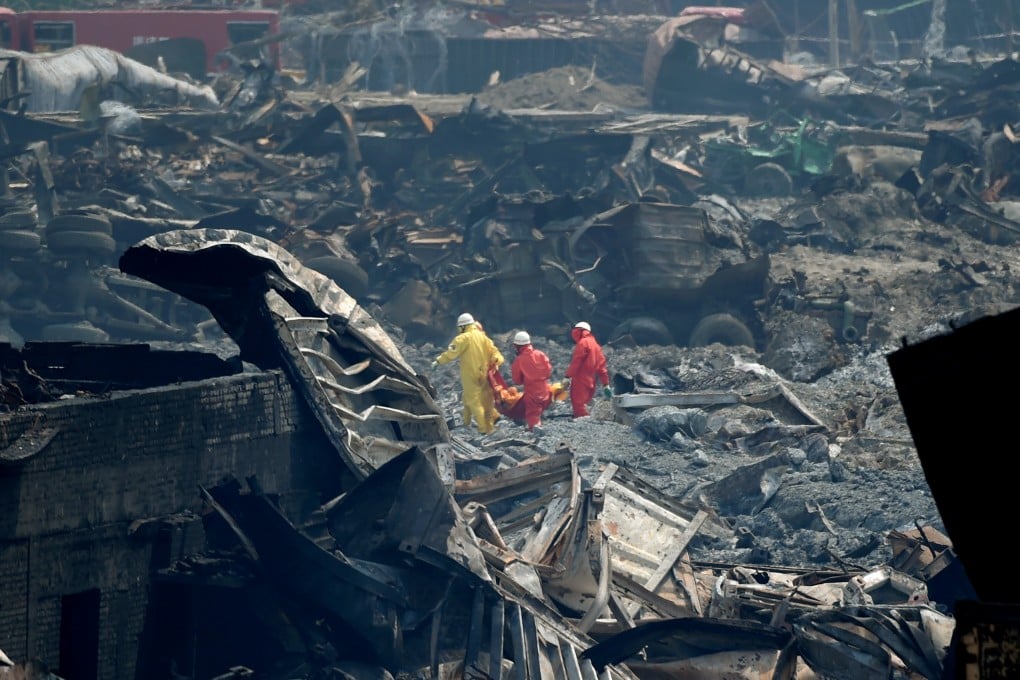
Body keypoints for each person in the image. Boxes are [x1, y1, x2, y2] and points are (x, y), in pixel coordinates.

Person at [431, 313, 504, 435]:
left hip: (470, 374)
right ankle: (467, 421)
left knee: (473, 401)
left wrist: (438, 361)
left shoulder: (462, 338)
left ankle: (484, 429)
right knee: (477, 399)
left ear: (463, 326)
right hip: (484, 373)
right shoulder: (483, 337)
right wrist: (496, 361)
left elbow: (451, 353)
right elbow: (495, 352)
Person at [565, 321, 611, 418]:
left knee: (579, 404)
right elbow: (602, 367)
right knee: (585, 404)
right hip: (591, 381)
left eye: (575, 331)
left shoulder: (582, 343)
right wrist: (606, 384)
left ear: (580, 331)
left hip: (580, 379)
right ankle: (586, 422)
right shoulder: (596, 345)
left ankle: (582, 424)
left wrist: (567, 376)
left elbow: (576, 362)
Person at [509, 330, 552, 433]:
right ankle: (540, 424)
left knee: (533, 414)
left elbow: (517, 380)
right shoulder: (540, 354)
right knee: (539, 409)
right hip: (546, 391)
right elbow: (548, 371)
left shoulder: (519, 360)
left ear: (517, 346)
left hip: (533, 394)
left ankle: (535, 432)